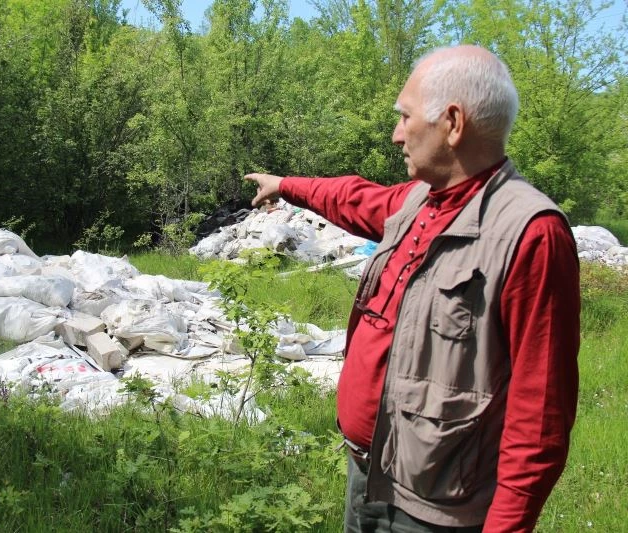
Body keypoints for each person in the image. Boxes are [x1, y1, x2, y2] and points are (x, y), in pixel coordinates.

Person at [245, 45, 580, 532]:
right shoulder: (420, 199)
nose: (397, 133)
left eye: (405, 117)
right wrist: (286, 184)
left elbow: (540, 414)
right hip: (368, 472)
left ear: (453, 122)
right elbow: (353, 197)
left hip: (437, 510)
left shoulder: (530, 233)